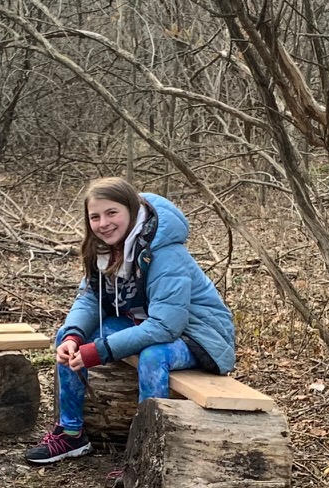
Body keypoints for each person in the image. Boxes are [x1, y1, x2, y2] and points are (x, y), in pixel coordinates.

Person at [25, 178, 237, 465]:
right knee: (68, 337)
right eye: (95, 217)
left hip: (198, 337)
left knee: (153, 356)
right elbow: (90, 299)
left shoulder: (164, 252)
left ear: (133, 211)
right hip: (145, 325)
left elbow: (166, 326)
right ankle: (71, 433)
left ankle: (144, 453)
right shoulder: (103, 249)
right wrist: (75, 338)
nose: (103, 223)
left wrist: (99, 351)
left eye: (112, 213)